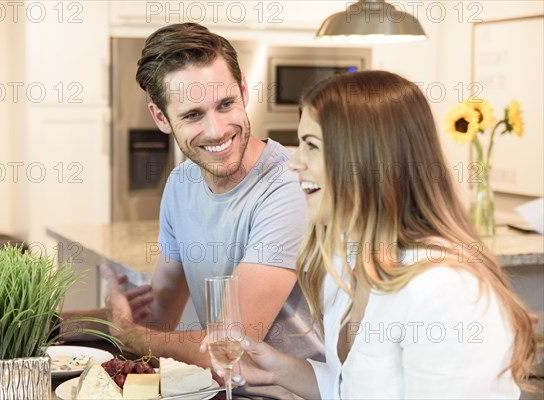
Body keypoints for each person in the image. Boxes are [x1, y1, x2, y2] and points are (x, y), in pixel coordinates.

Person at [203, 70, 537, 399]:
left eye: (312, 146)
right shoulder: (347, 261)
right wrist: (280, 369)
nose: (295, 162)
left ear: (366, 159)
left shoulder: (444, 290)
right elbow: (352, 388)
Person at [69, 22, 323, 399]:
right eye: (192, 115)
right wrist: (115, 310)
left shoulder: (288, 184)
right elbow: (158, 318)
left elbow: (233, 346)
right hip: (223, 391)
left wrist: (130, 332)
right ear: (160, 118)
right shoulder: (181, 183)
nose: (217, 130)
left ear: (243, 92)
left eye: (225, 104)